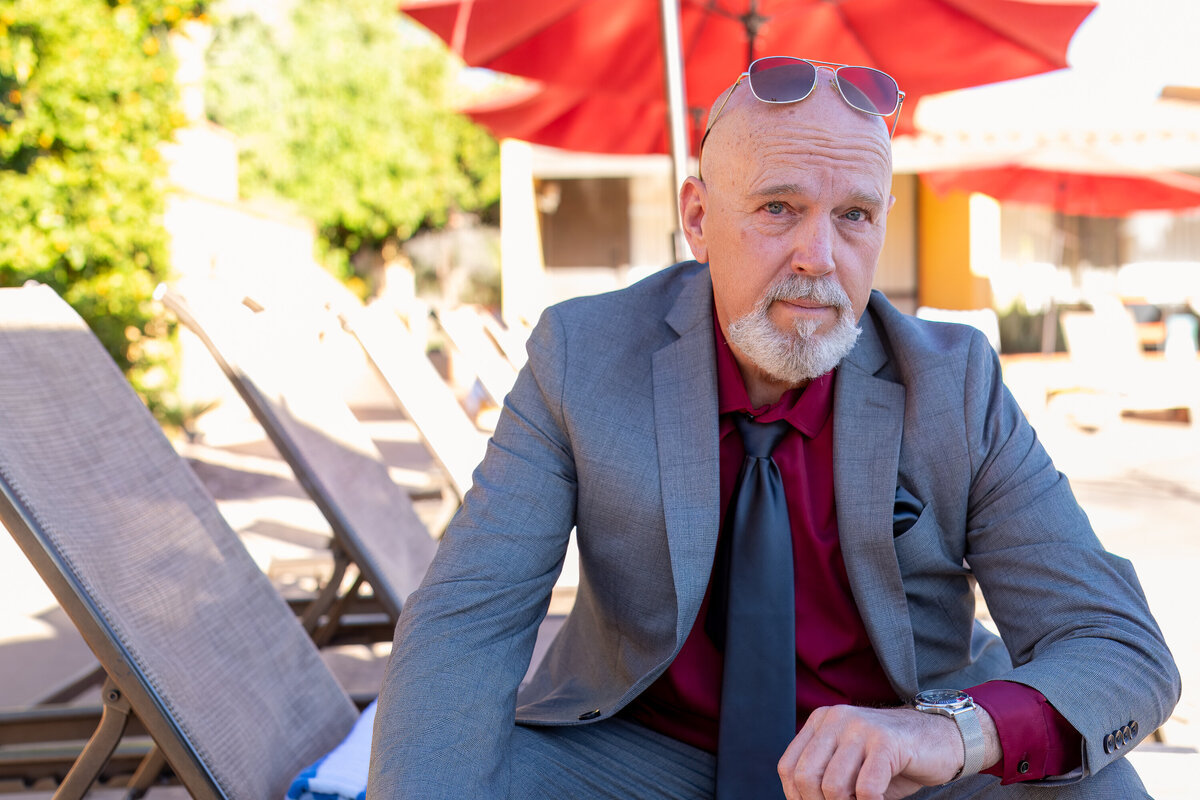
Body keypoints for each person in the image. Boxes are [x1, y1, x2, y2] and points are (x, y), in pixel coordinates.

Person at [368, 57, 1179, 799]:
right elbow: (467, 621)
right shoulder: (583, 356)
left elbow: (1117, 646)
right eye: (778, 207)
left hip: (898, 759)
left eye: (855, 215)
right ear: (697, 216)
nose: (818, 255)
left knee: (1096, 789)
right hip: (645, 756)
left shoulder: (954, 382)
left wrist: (947, 733)